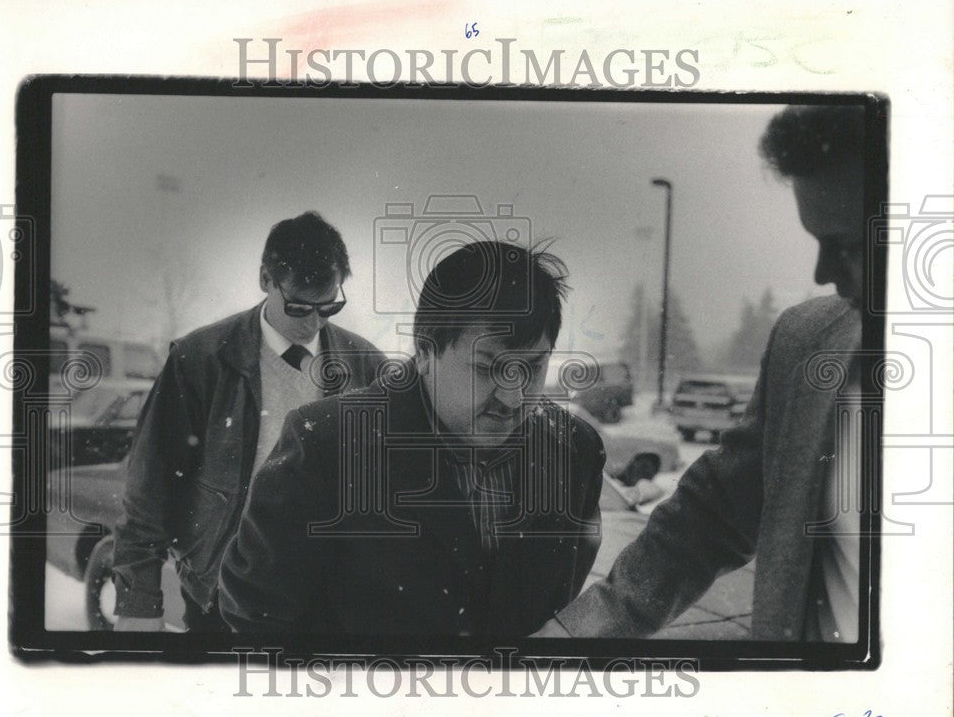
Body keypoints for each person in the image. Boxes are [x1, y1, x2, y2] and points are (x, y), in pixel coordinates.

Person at [534, 104, 869, 642]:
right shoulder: (805, 345)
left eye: (849, 246)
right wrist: (578, 632)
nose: (823, 273)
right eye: (817, 242)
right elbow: (710, 516)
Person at [219, 241, 605, 636]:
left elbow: (559, 602)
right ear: (424, 352)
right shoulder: (329, 445)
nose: (513, 396)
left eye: (533, 366)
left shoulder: (575, 450)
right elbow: (258, 617)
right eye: (488, 367)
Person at [112, 212, 386, 631]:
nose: (314, 322)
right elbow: (150, 481)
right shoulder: (200, 359)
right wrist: (138, 599)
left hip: (328, 597)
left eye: (328, 306)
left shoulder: (366, 366)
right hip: (222, 593)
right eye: (298, 306)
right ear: (265, 279)